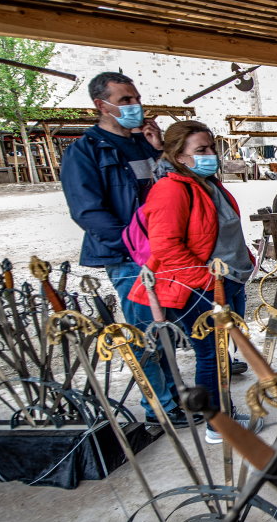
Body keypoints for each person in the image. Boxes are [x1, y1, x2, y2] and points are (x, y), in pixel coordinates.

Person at [60, 72, 186, 426]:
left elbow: (175, 189)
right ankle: (159, 407)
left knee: (167, 330)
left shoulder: (145, 144)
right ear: (102, 105)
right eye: (125, 100)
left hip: (166, 251)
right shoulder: (85, 152)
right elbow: (87, 211)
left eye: (136, 98)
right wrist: (136, 248)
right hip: (130, 258)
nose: (135, 105)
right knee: (146, 331)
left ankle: (174, 394)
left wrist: (161, 149)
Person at [126, 121, 258, 444]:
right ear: (179, 157)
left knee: (221, 352)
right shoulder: (171, 190)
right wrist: (209, 283)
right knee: (211, 354)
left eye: (211, 147)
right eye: (200, 150)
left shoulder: (207, 183)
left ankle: (222, 412)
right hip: (202, 288)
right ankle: (218, 424)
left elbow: (221, 230)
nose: (210, 154)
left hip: (226, 281)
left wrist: (244, 261)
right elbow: (167, 248)